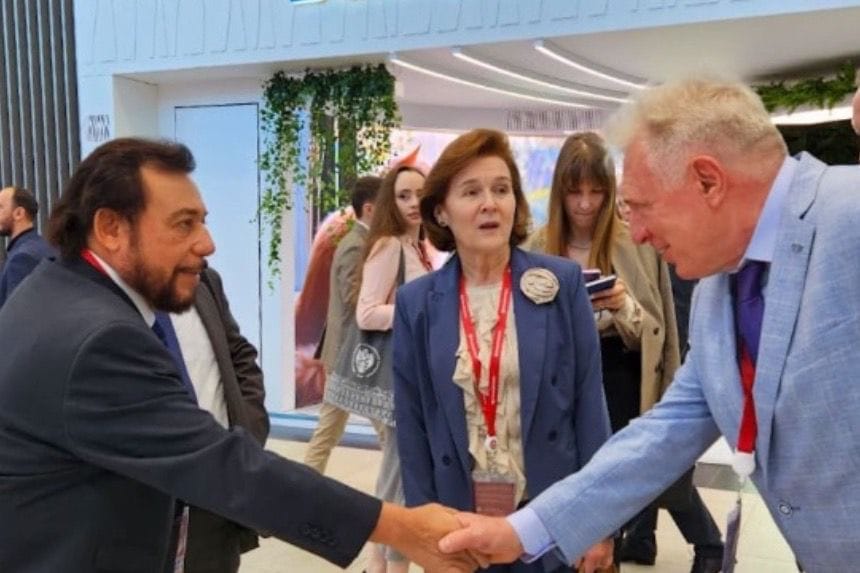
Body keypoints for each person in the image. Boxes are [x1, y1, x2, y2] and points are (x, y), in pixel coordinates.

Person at [438, 77, 860, 572]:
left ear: (708, 181)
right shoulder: (716, 292)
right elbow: (664, 434)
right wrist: (523, 530)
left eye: (641, 206)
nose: (636, 232)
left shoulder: (847, 214)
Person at [0, 137, 479, 573]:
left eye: (202, 221)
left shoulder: (54, 290)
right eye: (183, 224)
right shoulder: (100, 338)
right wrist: (402, 528)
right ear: (110, 228)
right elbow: (226, 468)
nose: (206, 243)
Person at [393, 129, 614, 573]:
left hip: (551, 514)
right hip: (458, 520)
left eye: (501, 189)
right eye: (471, 192)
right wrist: (421, 525)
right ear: (441, 211)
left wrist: (598, 521)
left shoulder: (561, 284)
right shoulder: (416, 302)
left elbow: (590, 404)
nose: (490, 204)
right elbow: (412, 424)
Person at [526, 133, 722, 573]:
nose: (585, 204)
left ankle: (629, 549)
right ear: (559, 191)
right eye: (574, 191)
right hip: (558, 384)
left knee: (613, 488)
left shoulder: (634, 244)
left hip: (619, 378)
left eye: (596, 191)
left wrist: (622, 305)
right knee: (560, 492)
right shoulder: (537, 248)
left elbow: (657, 332)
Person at [324, 162, 432, 573]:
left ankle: (378, 563)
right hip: (398, 374)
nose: (413, 202)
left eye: (420, 194)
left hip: (412, 374)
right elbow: (367, 313)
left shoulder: (414, 245)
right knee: (403, 471)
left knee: (396, 470)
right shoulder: (389, 245)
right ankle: (391, 564)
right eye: (403, 195)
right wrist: (418, 310)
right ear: (389, 202)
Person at [167, 264, 270, 573]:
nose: (205, 244)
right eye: (182, 235)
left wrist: (248, 430)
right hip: (145, 498)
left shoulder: (204, 281)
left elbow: (239, 354)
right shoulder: (103, 301)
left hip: (215, 493)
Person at [305, 175, 384, 474]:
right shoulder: (355, 245)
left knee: (336, 428)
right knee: (338, 428)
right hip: (349, 355)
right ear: (370, 209)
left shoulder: (363, 242)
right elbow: (353, 299)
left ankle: (305, 483)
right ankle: (304, 484)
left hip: (353, 354)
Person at [0, 186, 56, 307]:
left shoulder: (22, 258)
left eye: (0, 207)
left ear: (19, 213)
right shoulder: (44, 246)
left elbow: (16, 312)